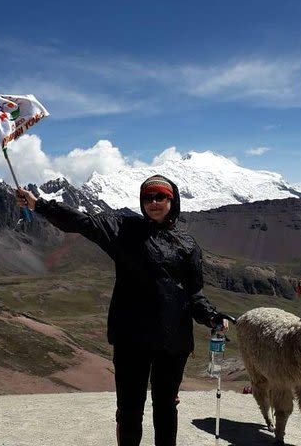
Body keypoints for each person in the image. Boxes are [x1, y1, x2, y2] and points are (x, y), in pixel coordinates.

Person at [15, 174, 230, 446]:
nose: (154, 202)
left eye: (160, 197)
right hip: (131, 340)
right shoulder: (123, 229)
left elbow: (194, 294)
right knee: (129, 411)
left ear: (172, 201)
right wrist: (40, 205)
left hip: (172, 343)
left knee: (165, 409)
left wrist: (211, 315)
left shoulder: (188, 246)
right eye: (148, 197)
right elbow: (83, 222)